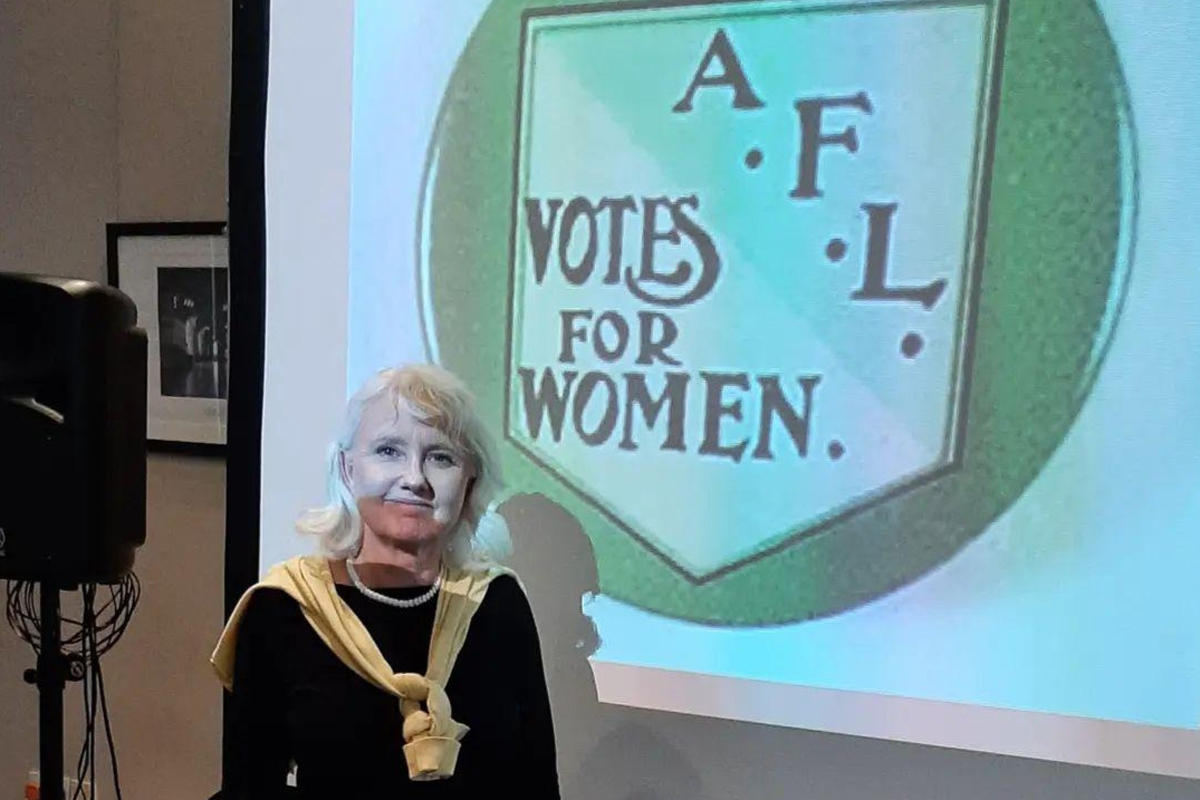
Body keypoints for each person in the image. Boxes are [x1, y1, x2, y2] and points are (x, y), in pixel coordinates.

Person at [211, 364, 560, 798]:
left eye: (441, 457)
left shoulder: (496, 601)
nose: (415, 479)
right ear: (347, 469)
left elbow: (537, 785)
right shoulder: (284, 607)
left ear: (470, 483)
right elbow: (248, 787)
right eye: (388, 450)